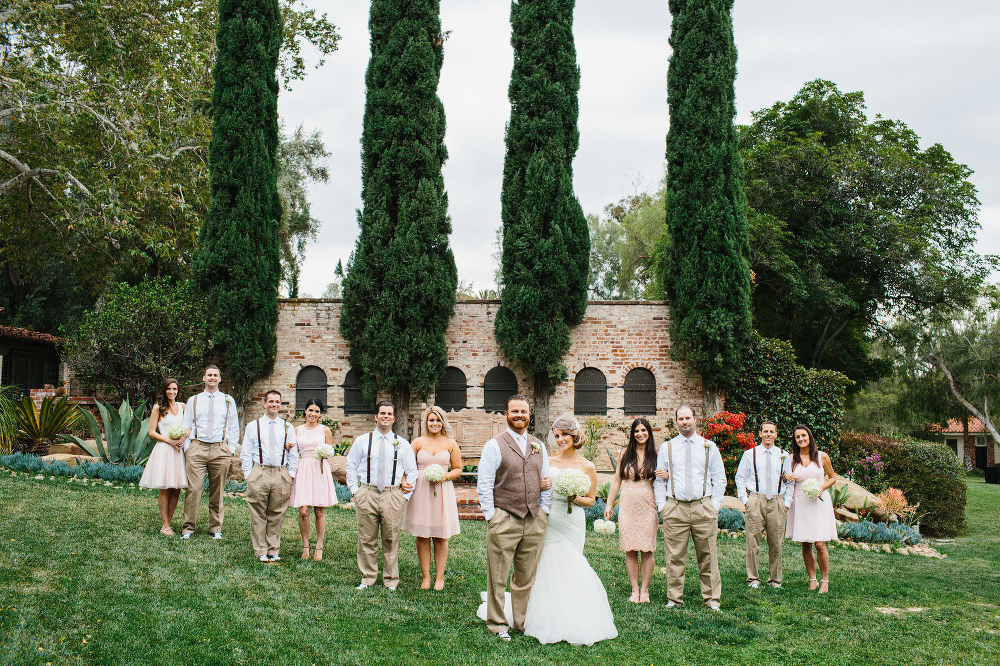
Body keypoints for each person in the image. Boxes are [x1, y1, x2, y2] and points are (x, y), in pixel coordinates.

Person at [521, 413, 617, 646]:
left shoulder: (588, 466)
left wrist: (573, 496)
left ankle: (574, 612)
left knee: (572, 562)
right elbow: (538, 488)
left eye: (564, 435)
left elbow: (591, 500)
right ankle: (548, 613)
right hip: (552, 518)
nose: (560, 439)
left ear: (574, 436)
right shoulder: (550, 462)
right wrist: (543, 486)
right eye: (556, 436)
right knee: (549, 561)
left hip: (573, 522)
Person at [476, 395, 551, 642]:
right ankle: (498, 624)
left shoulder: (539, 445)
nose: (520, 415)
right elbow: (484, 484)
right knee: (497, 576)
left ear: (530, 415)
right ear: (506, 415)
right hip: (504, 517)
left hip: (534, 519)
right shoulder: (494, 445)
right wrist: (491, 516)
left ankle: (521, 623)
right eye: (514, 411)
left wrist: (544, 512)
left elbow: (546, 481)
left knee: (525, 576)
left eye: (524, 412)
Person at [653, 405, 726, 610]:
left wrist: (715, 506)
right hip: (676, 508)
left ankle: (712, 600)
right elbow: (659, 479)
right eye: (681, 419)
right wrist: (662, 506)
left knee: (708, 556)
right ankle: (674, 598)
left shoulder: (708, 446)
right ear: (676, 422)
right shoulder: (667, 447)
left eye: (688, 418)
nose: (684, 422)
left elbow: (720, 479)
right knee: (674, 556)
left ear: (695, 419)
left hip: (703, 507)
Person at [346, 401, 418, 590]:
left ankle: (390, 580)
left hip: (392, 494)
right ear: (376, 417)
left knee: (391, 539)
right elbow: (351, 466)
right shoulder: (362, 441)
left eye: (389, 414)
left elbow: (412, 471)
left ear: (393, 418)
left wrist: (405, 497)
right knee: (366, 539)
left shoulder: (402, 444)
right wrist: (356, 491)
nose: (385, 416)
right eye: (382, 413)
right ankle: (367, 578)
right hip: (367, 493)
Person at [401, 406, 462, 590]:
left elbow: (458, 469)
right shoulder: (417, 442)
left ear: (442, 422)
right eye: (431, 420)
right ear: (426, 423)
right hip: (421, 491)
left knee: (441, 537)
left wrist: (444, 476)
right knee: (422, 535)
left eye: (437, 420)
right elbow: (406, 467)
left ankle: (440, 578)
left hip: (442, 491)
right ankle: (426, 577)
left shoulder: (451, 443)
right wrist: (403, 481)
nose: (434, 423)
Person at [180, 365, 240, 539]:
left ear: (220, 379)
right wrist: (188, 448)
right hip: (197, 447)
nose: (212, 378)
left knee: (217, 490)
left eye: (215, 375)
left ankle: (216, 528)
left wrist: (230, 449)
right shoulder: (194, 400)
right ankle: (188, 528)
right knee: (194, 489)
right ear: (204, 378)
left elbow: (234, 427)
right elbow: (187, 425)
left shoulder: (228, 400)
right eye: (209, 375)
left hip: (220, 449)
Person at [604, 417, 659, 603]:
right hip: (627, 504)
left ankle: (645, 591)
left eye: (644, 430)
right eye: (637, 431)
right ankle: (634, 589)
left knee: (647, 549)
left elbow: (664, 481)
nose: (640, 434)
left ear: (649, 432)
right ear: (632, 434)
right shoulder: (624, 454)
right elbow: (616, 480)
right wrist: (609, 503)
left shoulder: (656, 455)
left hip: (648, 503)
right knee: (630, 548)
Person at [240, 390, 298, 562]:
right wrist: (248, 475)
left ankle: (274, 549)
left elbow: (294, 454)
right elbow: (245, 453)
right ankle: (260, 550)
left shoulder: (287, 426)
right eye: (271, 401)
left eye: (277, 402)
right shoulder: (253, 426)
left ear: (280, 405)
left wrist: (291, 475)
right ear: (264, 404)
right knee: (258, 512)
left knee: (277, 512)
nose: (274, 405)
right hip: (260, 471)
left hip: (281, 472)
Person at [735, 421, 793, 589]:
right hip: (756, 499)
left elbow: (789, 481)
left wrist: (786, 503)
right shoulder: (749, 454)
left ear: (776, 434)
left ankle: (775, 580)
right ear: (759, 434)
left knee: (776, 542)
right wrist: (745, 500)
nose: (768, 434)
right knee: (752, 542)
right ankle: (753, 578)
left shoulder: (784, 455)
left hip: (776, 501)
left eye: (772, 431)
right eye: (765, 431)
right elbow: (740, 477)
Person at [783, 424, 839, 593]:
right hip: (800, 502)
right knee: (806, 544)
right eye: (797, 437)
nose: (801, 439)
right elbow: (785, 479)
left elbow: (832, 478)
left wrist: (821, 488)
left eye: (803, 436)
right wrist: (786, 476)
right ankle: (812, 580)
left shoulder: (822, 457)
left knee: (820, 543)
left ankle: (825, 581)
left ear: (809, 437)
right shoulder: (792, 458)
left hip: (818, 502)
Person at [289, 398, 338, 561]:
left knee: (319, 510)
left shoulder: (324, 430)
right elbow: (292, 451)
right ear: (305, 411)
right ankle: (305, 545)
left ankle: (319, 545)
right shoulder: (297, 430)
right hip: (303, 468)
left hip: (319, 469)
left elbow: (330, 452)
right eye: (310, 410)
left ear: (320, 414)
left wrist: (325, 454)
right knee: (303, 511)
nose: (313, 414)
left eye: (317, 411)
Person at [139, 378, 188, 535]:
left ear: (178, 390)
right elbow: (152, 432)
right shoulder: (158, 408)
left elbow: (190, 426)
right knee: (166, 488)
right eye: (168, 389)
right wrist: (169, 440)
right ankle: (165, 525)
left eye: (174, 389)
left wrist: (183, 438)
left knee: (176, 489)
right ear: (164, 390)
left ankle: (168, 523)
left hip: (179, 451)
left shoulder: (183, 407)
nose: (171, 392)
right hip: (165, 450)